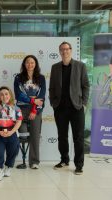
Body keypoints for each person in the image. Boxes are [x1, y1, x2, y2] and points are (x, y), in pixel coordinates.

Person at [49, 41, 90, 175]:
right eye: (62, 49)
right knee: (62, 136)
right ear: (60, 52)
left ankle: (79, 165)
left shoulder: (80, 66)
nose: (65, 51)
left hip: (76, 108)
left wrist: (83, 103)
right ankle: (64, 160)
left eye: (67, 49)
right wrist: (53, 103)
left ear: (71, 50)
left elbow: (86, 86)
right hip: (60, 108)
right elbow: (52, 88)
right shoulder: (55, 68)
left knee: (78, 137)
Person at [14, 55, 46, 169]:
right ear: (24, 64)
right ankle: (17, 159)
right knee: (21, 134)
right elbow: (19, 95)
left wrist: (34, 110)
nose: (30, 64)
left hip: (35, 111)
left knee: (35, 135)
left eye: (32, 62)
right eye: (27, 62)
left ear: (35, 64)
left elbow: (41, 97)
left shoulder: (41, 78)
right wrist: (32, 100)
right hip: (21, 109)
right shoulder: (18, 78)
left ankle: (34, 162)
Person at [0, 86, 22, 181]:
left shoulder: (17, 109)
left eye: (6, 94)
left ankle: (8, 167)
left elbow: (19, 122)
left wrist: (11, 132)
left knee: (13, 152)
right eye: (2, 94)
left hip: (12, 133)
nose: (4, 96)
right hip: (0, 134)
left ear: (10, 95)